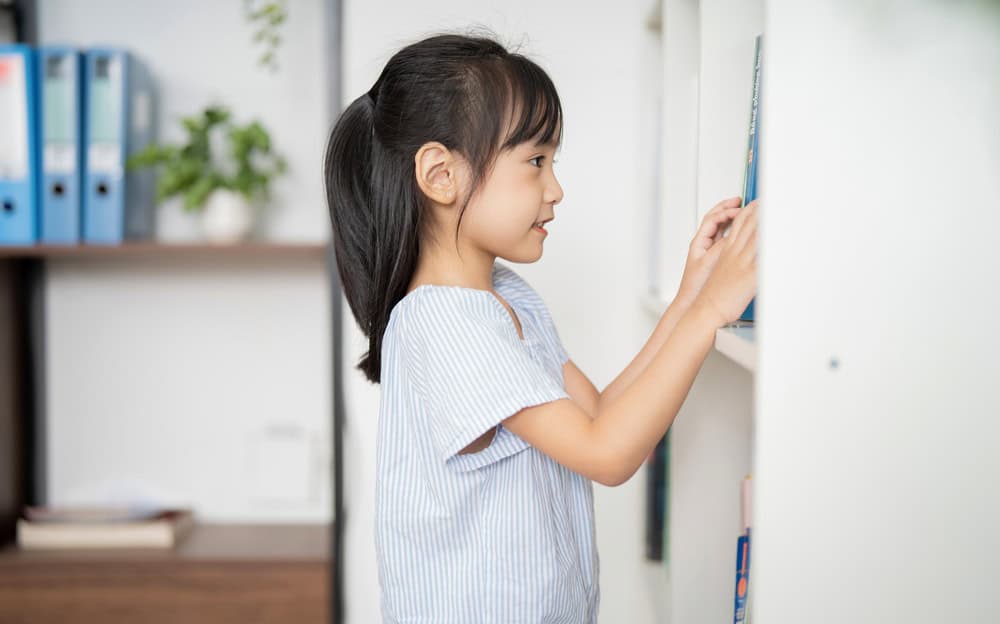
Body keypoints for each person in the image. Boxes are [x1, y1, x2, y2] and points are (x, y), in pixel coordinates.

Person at [323, 30, 757, 624]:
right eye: (535, 161)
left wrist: (691, 298)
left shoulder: (507, 297)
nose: (555, 188)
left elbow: (601, 414)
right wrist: (709, 314)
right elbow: (607, 455)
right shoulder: (441, 323)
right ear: (440, 174)